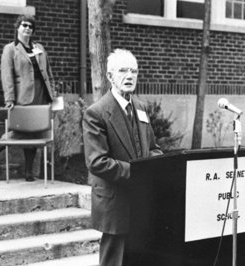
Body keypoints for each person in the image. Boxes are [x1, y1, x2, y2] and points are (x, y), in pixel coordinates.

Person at [82, 49, 163, 266]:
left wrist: (158, 164)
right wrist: (139, 172)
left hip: (141, 201)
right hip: (115, 203)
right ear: (109, 76)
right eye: (123, 71)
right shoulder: (96, 113)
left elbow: (153, 147)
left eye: (134, 71)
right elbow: (97, 162)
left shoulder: (141, 107)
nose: (129, 76)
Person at [0, 14, 55, 182]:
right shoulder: (10, 49)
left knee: (37, 132)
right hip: (23, 95)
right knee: (22, 131)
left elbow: (48, 73)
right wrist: (9, 99)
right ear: (17, 27)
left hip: (41, 93)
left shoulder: (39, 47)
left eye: (30, 26)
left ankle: (29, 171)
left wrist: (53, 93)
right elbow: (6, 75)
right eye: (24, 25)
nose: (27, 29)